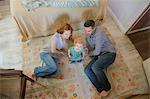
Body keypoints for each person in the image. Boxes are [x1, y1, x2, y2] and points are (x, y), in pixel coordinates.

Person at [83, 20, 116, 97]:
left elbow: (96, 52)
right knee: (87, 70)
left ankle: (107, 88)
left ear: (94, 28)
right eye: (85, 30)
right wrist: (85, 49)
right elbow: (88, 46)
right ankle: (100, 89)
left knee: (95, 67)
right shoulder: (88, 35)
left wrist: (89, 54)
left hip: (109, 54)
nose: (87, 32)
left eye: (89, 31)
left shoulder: (99, 35)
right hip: (99, 56)